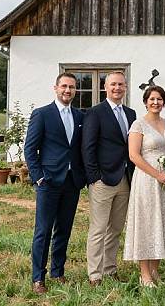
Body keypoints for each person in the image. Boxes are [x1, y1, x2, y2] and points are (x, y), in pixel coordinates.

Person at [24, 72, 86, 294]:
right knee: (43, 230)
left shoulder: (80, 116)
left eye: (71, 87)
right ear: (56, 88)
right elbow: (30, 149)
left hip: (72, 181)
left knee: (64, 230)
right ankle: (38, 278)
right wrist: (38, 176)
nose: (67, 90)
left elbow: (79, 149)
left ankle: (57, 272)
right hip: (48, 181)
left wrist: (83, 176)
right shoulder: (42, 114)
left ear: (75, 90)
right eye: (64, 87)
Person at [81, 71, 137, 286]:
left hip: (125, 178)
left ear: (126, 87)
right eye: (113, 84)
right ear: (106, 87)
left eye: (121, 85)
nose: (117, 88)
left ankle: (110, 269)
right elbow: (88, 147)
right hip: (102, 180)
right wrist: (94, 177)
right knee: (98, 228)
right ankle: (94, 274)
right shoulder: (95, 113)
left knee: (115, 228)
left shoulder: (131, 114)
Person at [123, 85, 165, 286]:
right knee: (146, 223)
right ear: (145, 102)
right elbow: (134, 155)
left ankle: (155, 271)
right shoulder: (138, 124)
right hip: (147, 180)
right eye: (152, 99)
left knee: (161, 223)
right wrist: (157, 174)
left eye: (159, 99)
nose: (155, 102)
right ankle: (145, 274)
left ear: (164, 102)